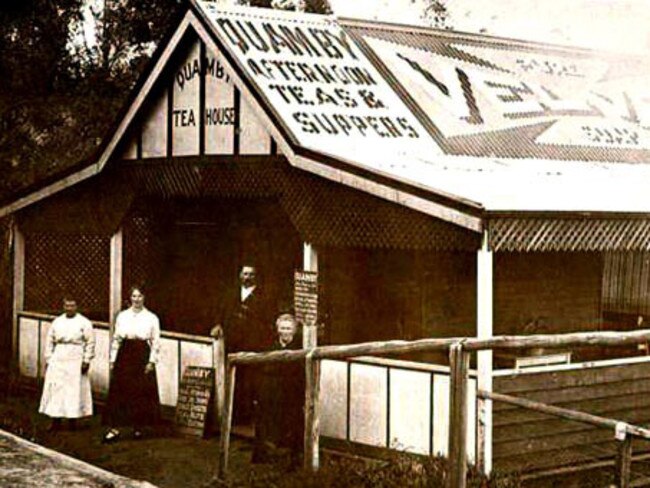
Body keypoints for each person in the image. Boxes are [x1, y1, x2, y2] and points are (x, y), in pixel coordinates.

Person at [211, 264, 273, 424]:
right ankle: (234, 417)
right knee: (234, 379)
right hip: (233, 343)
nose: (247, 277)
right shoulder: (231, 293)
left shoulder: (263, 296)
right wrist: (218, 324)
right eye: (245, 274)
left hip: (253, 345)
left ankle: (249, 418)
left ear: (255, 276)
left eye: (251, 274)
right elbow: (221, 310)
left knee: (250, 382)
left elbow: (267, 322)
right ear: (240, 275)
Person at [102, 286, 161, 443]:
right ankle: (115, 429)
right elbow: (116, 340)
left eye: (140, 296)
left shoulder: (151, 318)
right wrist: (113, 360)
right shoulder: (122, 316)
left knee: (140, 391)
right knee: (120, 391)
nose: (137, 299)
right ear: (130, 298)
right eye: (134, 296)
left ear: (144, 297)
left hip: (141, 353)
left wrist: (151, 361)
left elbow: (156, 342)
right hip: (125, 354)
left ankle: (138, 427)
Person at [254, 313, 305, 468]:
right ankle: (265, 456)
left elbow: (300, 374)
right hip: (271, 390)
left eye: (289, 328)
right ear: (278, 330)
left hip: (290, 392)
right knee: (267, 421)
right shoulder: (270, 345)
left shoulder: (299, 348)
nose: (285, 331)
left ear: (294, 331)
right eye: (282, 328)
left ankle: (292, 458)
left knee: (292, 423)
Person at [39, 296, 95, 431]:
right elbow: (49, 341)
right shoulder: (57, 322)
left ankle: (72, 421)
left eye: (72, 306)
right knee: (57, 389)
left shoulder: (84, 322)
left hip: (76, 357)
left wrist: (86, 360)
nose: (69, 308)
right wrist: (49, 358)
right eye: (67, 306)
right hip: (59, 357)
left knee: (74, 389)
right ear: (63, 306)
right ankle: (55, 421)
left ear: (77, 306)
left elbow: (90, 342)